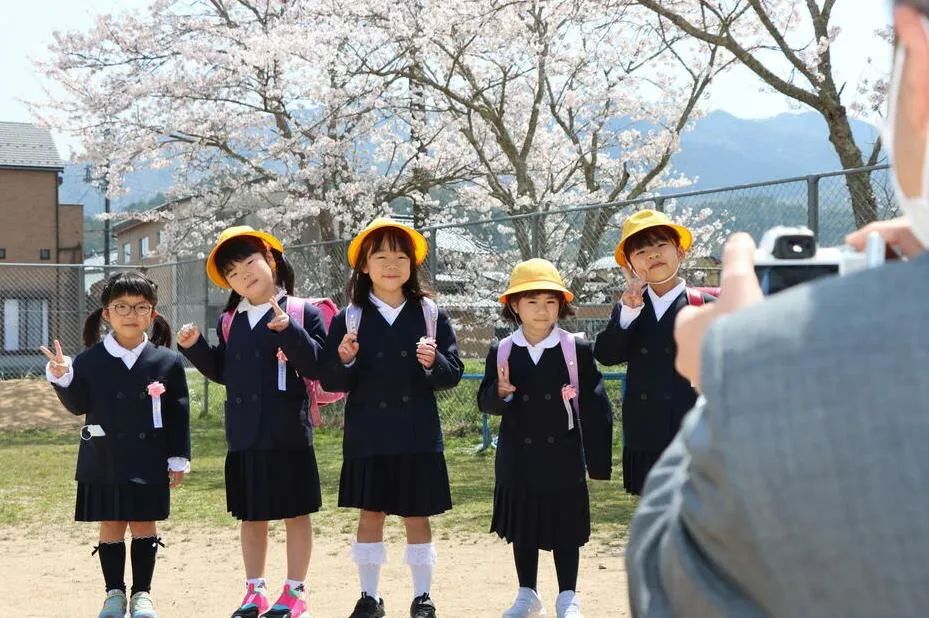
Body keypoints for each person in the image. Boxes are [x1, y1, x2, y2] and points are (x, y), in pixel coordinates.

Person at [625, 2, 929, 615]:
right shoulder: (627, 308)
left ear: (915, 50)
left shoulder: (756, 355)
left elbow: (670, 583)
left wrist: (741, 368)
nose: (655, 255)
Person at [178, 226, 325, 618]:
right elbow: (225, 372)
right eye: (233, 272)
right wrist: (195, 348)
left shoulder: (301, 311)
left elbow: (319, 366)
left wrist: (289, 332)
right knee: (251, 515)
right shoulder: (231, 320)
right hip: (243, 434)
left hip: (288, 432)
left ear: (271, 260)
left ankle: (295, 592)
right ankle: (254, 591)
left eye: (249, 262)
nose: (244, 274)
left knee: (296, 513)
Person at [320, 218, 464, 618]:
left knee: (418, 515)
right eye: (380, 256)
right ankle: (369, 597)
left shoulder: (430, 313)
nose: (392, 264)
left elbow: (452, 373)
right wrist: (343, 359)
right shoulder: (349, 317)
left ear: (412, 265)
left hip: (418, 432)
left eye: (402, 257)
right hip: (368, 433)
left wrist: (434, 362)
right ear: (363, 265)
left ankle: (423, 597)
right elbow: (332, 378)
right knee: (371, 514)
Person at [41, 271, 190, 618]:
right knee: (110, 524)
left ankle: (142, 595)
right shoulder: (89, 361)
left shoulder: (166, 360)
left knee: (144, 524)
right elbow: (78, 405)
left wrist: (178, 457)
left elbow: (178, 413)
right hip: (103, 457)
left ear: (152, 313)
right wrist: (63, 375)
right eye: (120, 306)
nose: (130, 313)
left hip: (149, 456)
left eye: (140, 306)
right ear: (106, 313)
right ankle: (113, 594)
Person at [477, 259, 613, 618]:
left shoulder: (575, 349)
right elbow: (485, 401)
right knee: (523, 525)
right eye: (532, 301)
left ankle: (568, 595)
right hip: (516, 458)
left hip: (563, 458)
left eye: (550, 301)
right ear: (514, 306)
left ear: (562, 306)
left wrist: (597, 465)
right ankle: (527, 594)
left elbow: (598, 407)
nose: (542, 310)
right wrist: (500, 392)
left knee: (565, 527)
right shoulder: (502, 350)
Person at [594, 209, 713, 495]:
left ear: (680, 252)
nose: (653, 255)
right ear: (631, 265)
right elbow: (607, 355)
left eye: (661, 245)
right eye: (642, 251)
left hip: (694, 432)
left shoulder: (705, 305)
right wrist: (627, 313)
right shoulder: (630, 307)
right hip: (645, 432)